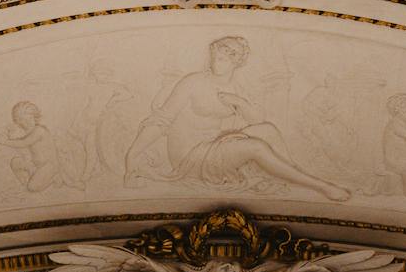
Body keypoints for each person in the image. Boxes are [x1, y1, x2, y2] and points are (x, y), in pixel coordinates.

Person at [123, 37, 351, 202]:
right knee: (256, 147)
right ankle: (321, 186)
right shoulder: (193, 82)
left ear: (236, 62)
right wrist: (132, 155)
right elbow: (162, 120)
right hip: (190, 155)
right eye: (217, 57)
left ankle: (293, 174)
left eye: (224, 59)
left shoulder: (235, 86)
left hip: (214, 144)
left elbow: (257, 120)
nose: (217, 62)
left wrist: (239, 102)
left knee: (268, 130)